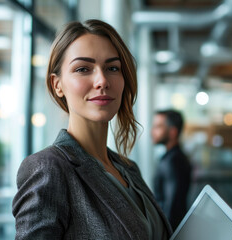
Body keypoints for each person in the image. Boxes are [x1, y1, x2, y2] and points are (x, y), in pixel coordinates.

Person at [12, 20, 172, 240]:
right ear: (57, 84)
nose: (102, 80)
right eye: (83, 69)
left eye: (112, 68)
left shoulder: (128, 169)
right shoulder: (48, 168)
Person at [152, 109, 192, 230]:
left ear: (173, 132)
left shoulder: (173, 162)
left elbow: (172, 208)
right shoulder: (174, 157)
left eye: (158, 127)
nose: (152, 131)